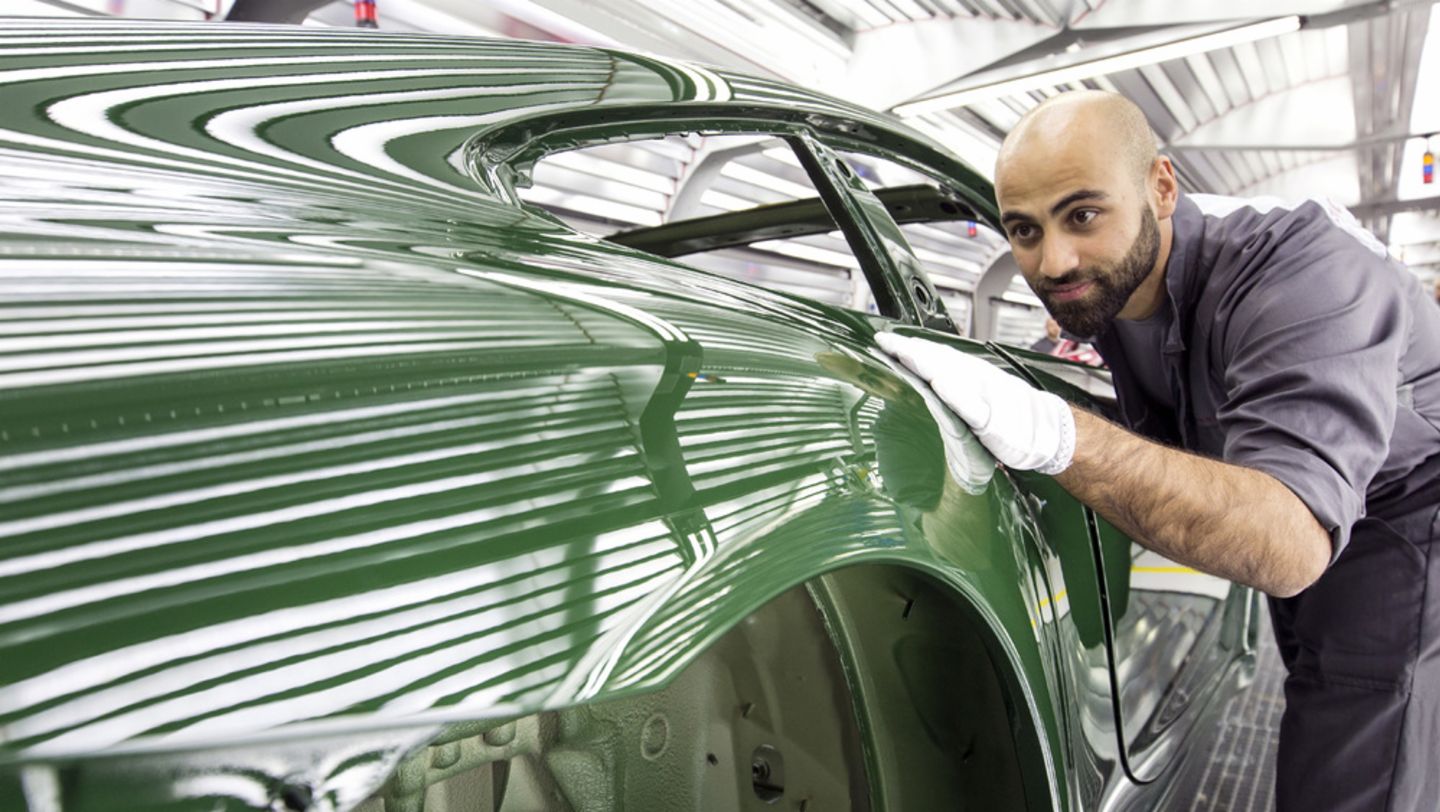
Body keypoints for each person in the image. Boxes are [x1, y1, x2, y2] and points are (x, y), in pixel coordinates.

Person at [878, 90, 1440, 812]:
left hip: (1407, 512)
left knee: (1360, 747)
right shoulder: (1111, 287)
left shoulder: (1299, 271)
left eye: (1082, 215)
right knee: (1314, 675)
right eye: (1022, 230)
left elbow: (1288, 547)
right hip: (1318, 502)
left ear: (1162, 187)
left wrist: (1058, 434)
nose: (1053, 262)